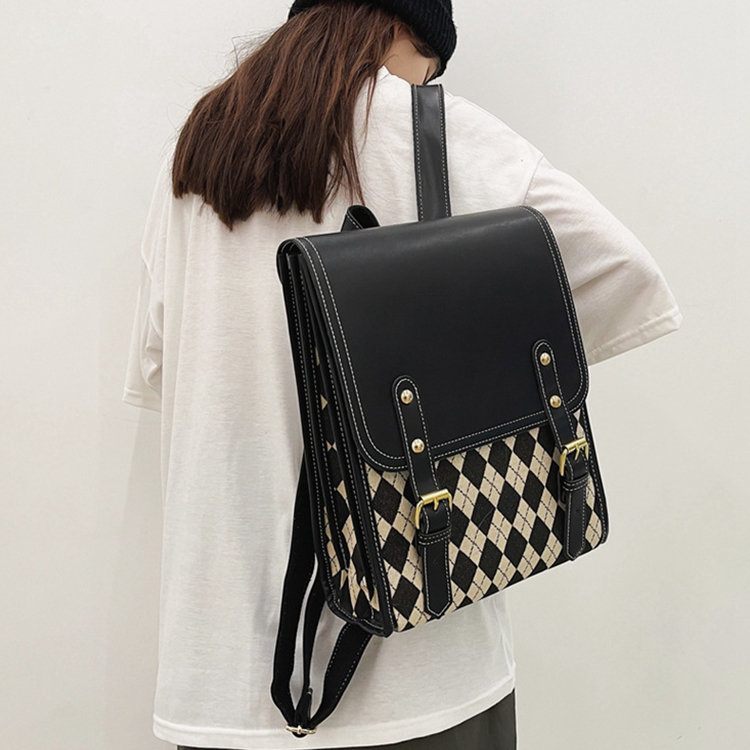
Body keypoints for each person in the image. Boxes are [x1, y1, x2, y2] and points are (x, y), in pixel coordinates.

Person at [121, 1, 683, 749]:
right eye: (430, 65)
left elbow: (162, 366)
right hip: (431, 670)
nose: (425, 83)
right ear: (403, 30)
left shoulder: (197, 154)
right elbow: (625, 274)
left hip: (219, 681)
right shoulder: (442, 134)